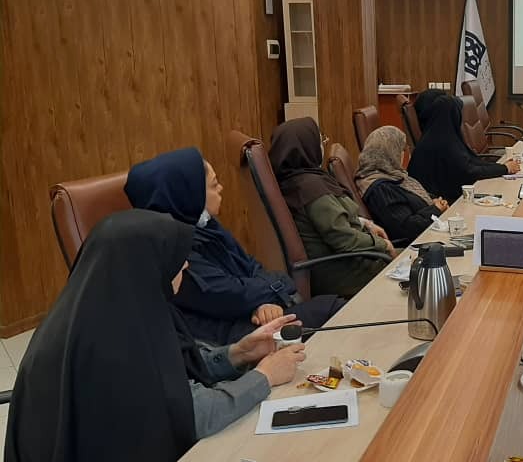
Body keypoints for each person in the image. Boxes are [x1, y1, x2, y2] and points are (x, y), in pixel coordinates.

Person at [3, 210, 305, 462]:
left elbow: (166, 369)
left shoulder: (110, 304)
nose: (185, 269)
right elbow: (194, 415)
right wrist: (266, 376)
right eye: (177, 262)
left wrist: (239, 353)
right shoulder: (112, 344)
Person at [125, 147, 346, 344]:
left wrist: (265, 299)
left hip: (249, 315)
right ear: (189, 195)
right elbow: (230, 296)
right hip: (227, 337)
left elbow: (251, 266)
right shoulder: (176, 250)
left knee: (333, 309)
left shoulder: (206, 225)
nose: (221, 188)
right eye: (213, 185)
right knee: (333, 310)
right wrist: (270, 294)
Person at [269, 117, 394, 298]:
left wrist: (364, 222)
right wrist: (383, 245)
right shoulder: (311, 187)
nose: (322, 145)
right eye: (320, 140)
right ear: (306, 147)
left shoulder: (298, 180)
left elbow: (325, 220)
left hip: (345, 262)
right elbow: (344, 240)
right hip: (346, 272)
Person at [408, 90, 520, 202]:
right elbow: (469, 172)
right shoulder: (442, 142)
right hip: (444, 205)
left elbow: (471, 162)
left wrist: (502, 167)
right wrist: (504, 169)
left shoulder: (442, 135)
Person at [356, 126, 448, 245]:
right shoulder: (380, 189)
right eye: (403, 148)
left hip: (430, 233)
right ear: (391, 153)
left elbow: (410, 200)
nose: (406, 152)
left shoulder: (394, 176)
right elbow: (407, 229)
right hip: (413, 247)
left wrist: (433, 201)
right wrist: (435, 209)